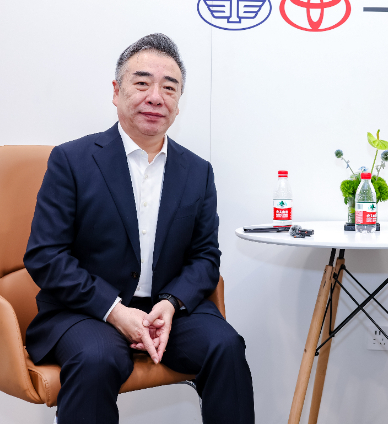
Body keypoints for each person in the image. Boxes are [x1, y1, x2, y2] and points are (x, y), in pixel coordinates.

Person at [24, 33, 254, 424]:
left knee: (225, 345)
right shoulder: (72, 160)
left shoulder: (198, 172)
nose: (156, 97)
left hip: (168, 312)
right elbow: (46, 256)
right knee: (97, 358)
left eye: (169, 88)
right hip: (86, 310)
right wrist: (114, 310)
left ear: (179, 103)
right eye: (142, 83)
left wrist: (171, 304)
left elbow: (205, 257)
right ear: (116, 92)